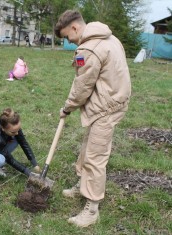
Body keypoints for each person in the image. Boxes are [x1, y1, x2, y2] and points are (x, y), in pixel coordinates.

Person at [54, 10, 131, 228]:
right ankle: (82, 184)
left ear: (75, 28)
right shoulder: (109, 37)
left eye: (68, 37)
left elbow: (82, 86)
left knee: (95, 156)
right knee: (89, 146)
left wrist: (67, 108)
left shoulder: (89, 48)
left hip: (106, 106)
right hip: (113, 100)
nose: (69, 42)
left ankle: (92, 208)